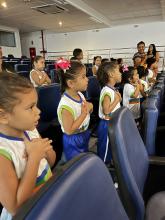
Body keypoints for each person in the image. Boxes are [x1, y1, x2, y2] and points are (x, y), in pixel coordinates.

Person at [0, 72, 56, 220]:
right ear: (3, 116)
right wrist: (34, 158)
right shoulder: (3, 153)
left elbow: (51, 162)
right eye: (30, 107)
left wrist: (45, 151)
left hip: (45, 201)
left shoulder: (29, 129)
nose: (38, 111)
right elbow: (16, 207)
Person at [57, 60, 93, 161]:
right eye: (83, 77)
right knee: (75, 164)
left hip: (83, 134)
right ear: (71, 83)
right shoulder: (66, 105)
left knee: (82, 159)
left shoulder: (80, 95)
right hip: (73, 139)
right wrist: (84, 113)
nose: (87, 79)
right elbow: (69, 130)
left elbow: (86, 111)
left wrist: (90, 108)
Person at [97, 62, 122, 163]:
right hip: (106, 124)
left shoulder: (111, 89)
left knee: (110, 146)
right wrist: (117, 100)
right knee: (105, 149)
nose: (120, 73)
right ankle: (102, 167)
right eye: (118, 71)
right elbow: (106, 110)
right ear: (111, 74)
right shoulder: (107, 91)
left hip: (111, 123)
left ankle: (108, 163)